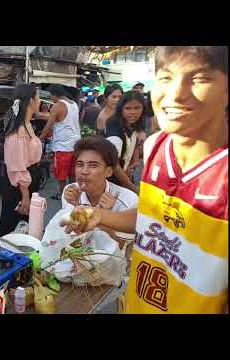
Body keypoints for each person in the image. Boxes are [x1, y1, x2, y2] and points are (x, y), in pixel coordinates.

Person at [65, 46, 228, 314]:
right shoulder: (156, 146)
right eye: (166, 78)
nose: (176, 94)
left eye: (198, 79)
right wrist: (99, 216)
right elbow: (152, 217)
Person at [62, 136, 138, 264]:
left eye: (93, 165)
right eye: (80, 164)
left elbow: (120, 249)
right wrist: (75, 206)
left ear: (108, 171)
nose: (84, 172)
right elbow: (69, 236)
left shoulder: (128, 200)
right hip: (77, 262)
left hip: (110, 268)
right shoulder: (70, 192)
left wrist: (103, 217)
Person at [0, 83, 42, 236]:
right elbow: (16, 166)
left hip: (30, 181)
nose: (40, 101)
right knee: (13, 231)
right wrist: (25, 196)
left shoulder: (27, 124)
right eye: (38, 98)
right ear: (31, 101)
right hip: (20, 187)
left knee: (27, 230)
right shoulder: (18, 131)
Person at [39, 84, 81, 200]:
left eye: (50, 96)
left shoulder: (58, 105)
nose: (50, 98)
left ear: (54, 95)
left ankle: (62, 193)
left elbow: (49, 123)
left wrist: (40, 138)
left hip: (63, 146)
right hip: (76, 144)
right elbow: (60, 118)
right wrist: (39, 115)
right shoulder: (74, 104)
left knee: (60, 173)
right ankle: (74, 193)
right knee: (72, 172)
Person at [105, 90, 147, 194]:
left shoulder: (133, 124)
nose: (133, 112)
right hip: (111, 181)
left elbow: (135, 140)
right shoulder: (115, 134)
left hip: (125, 175)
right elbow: (114, 165)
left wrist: (134, 161)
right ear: (121, 109)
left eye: (137, 108)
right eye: (128, 108)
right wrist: (133, 188)